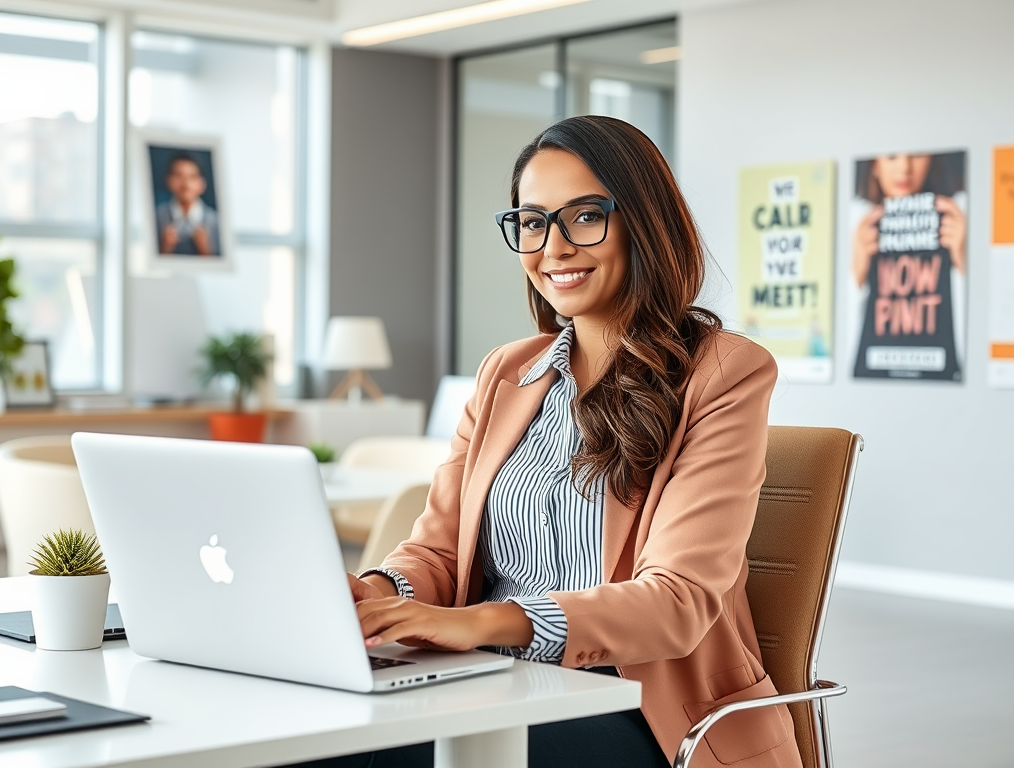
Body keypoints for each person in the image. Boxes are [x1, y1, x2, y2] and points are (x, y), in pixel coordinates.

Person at [301, 115, 801, 768]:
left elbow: (676, 603)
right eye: (533, 222)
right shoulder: (506, 372)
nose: (554, 247)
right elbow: (439, 550)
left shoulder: (725, 372)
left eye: (585, 216)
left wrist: (476, 624)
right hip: (490, 684)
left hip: (640, 710)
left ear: (645, 222)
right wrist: (382, 589)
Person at [850, 152, 967, 380]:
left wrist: (964, 259)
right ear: (874, 165)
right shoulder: (856, 219)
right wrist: (857, 270)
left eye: (916, 155)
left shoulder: (958, 214)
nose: (904, 168)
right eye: (891, 157)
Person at [155, 152, 222, 256]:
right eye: (178, 175)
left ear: (202, 184)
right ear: (169, 180)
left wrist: (206, 251)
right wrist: (164, 249)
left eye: (192, 177)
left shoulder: (215, 221)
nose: (185, 183)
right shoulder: (157, 217)